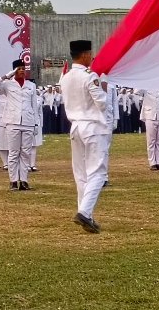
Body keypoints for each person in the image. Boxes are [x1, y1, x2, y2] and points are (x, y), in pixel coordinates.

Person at [58, 40, 109, 233]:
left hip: (76, 126)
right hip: (93, 126)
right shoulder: (90, 76)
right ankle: (85, 213)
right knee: (98, 172)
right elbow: (102, 103)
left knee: (81, 174)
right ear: (85, 55)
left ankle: (86, 213)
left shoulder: (66, 77)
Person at [0, 59, 39, 191]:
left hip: (27, 121)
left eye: (23, 68)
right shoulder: (7, 84)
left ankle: (23, 180)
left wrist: (36, 124)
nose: (22, 70)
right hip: (13, 121)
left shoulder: (30, 85)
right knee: (13, 152)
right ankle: (13, 180)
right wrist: (6, 76)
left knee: (25, 153)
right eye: (19, 68)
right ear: (14, 70)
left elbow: (34, 105)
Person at [139, 90, 159, 170]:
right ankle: (152, 163)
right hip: (150, 116)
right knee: (151, 141)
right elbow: (136, 91)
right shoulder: (146, 87)